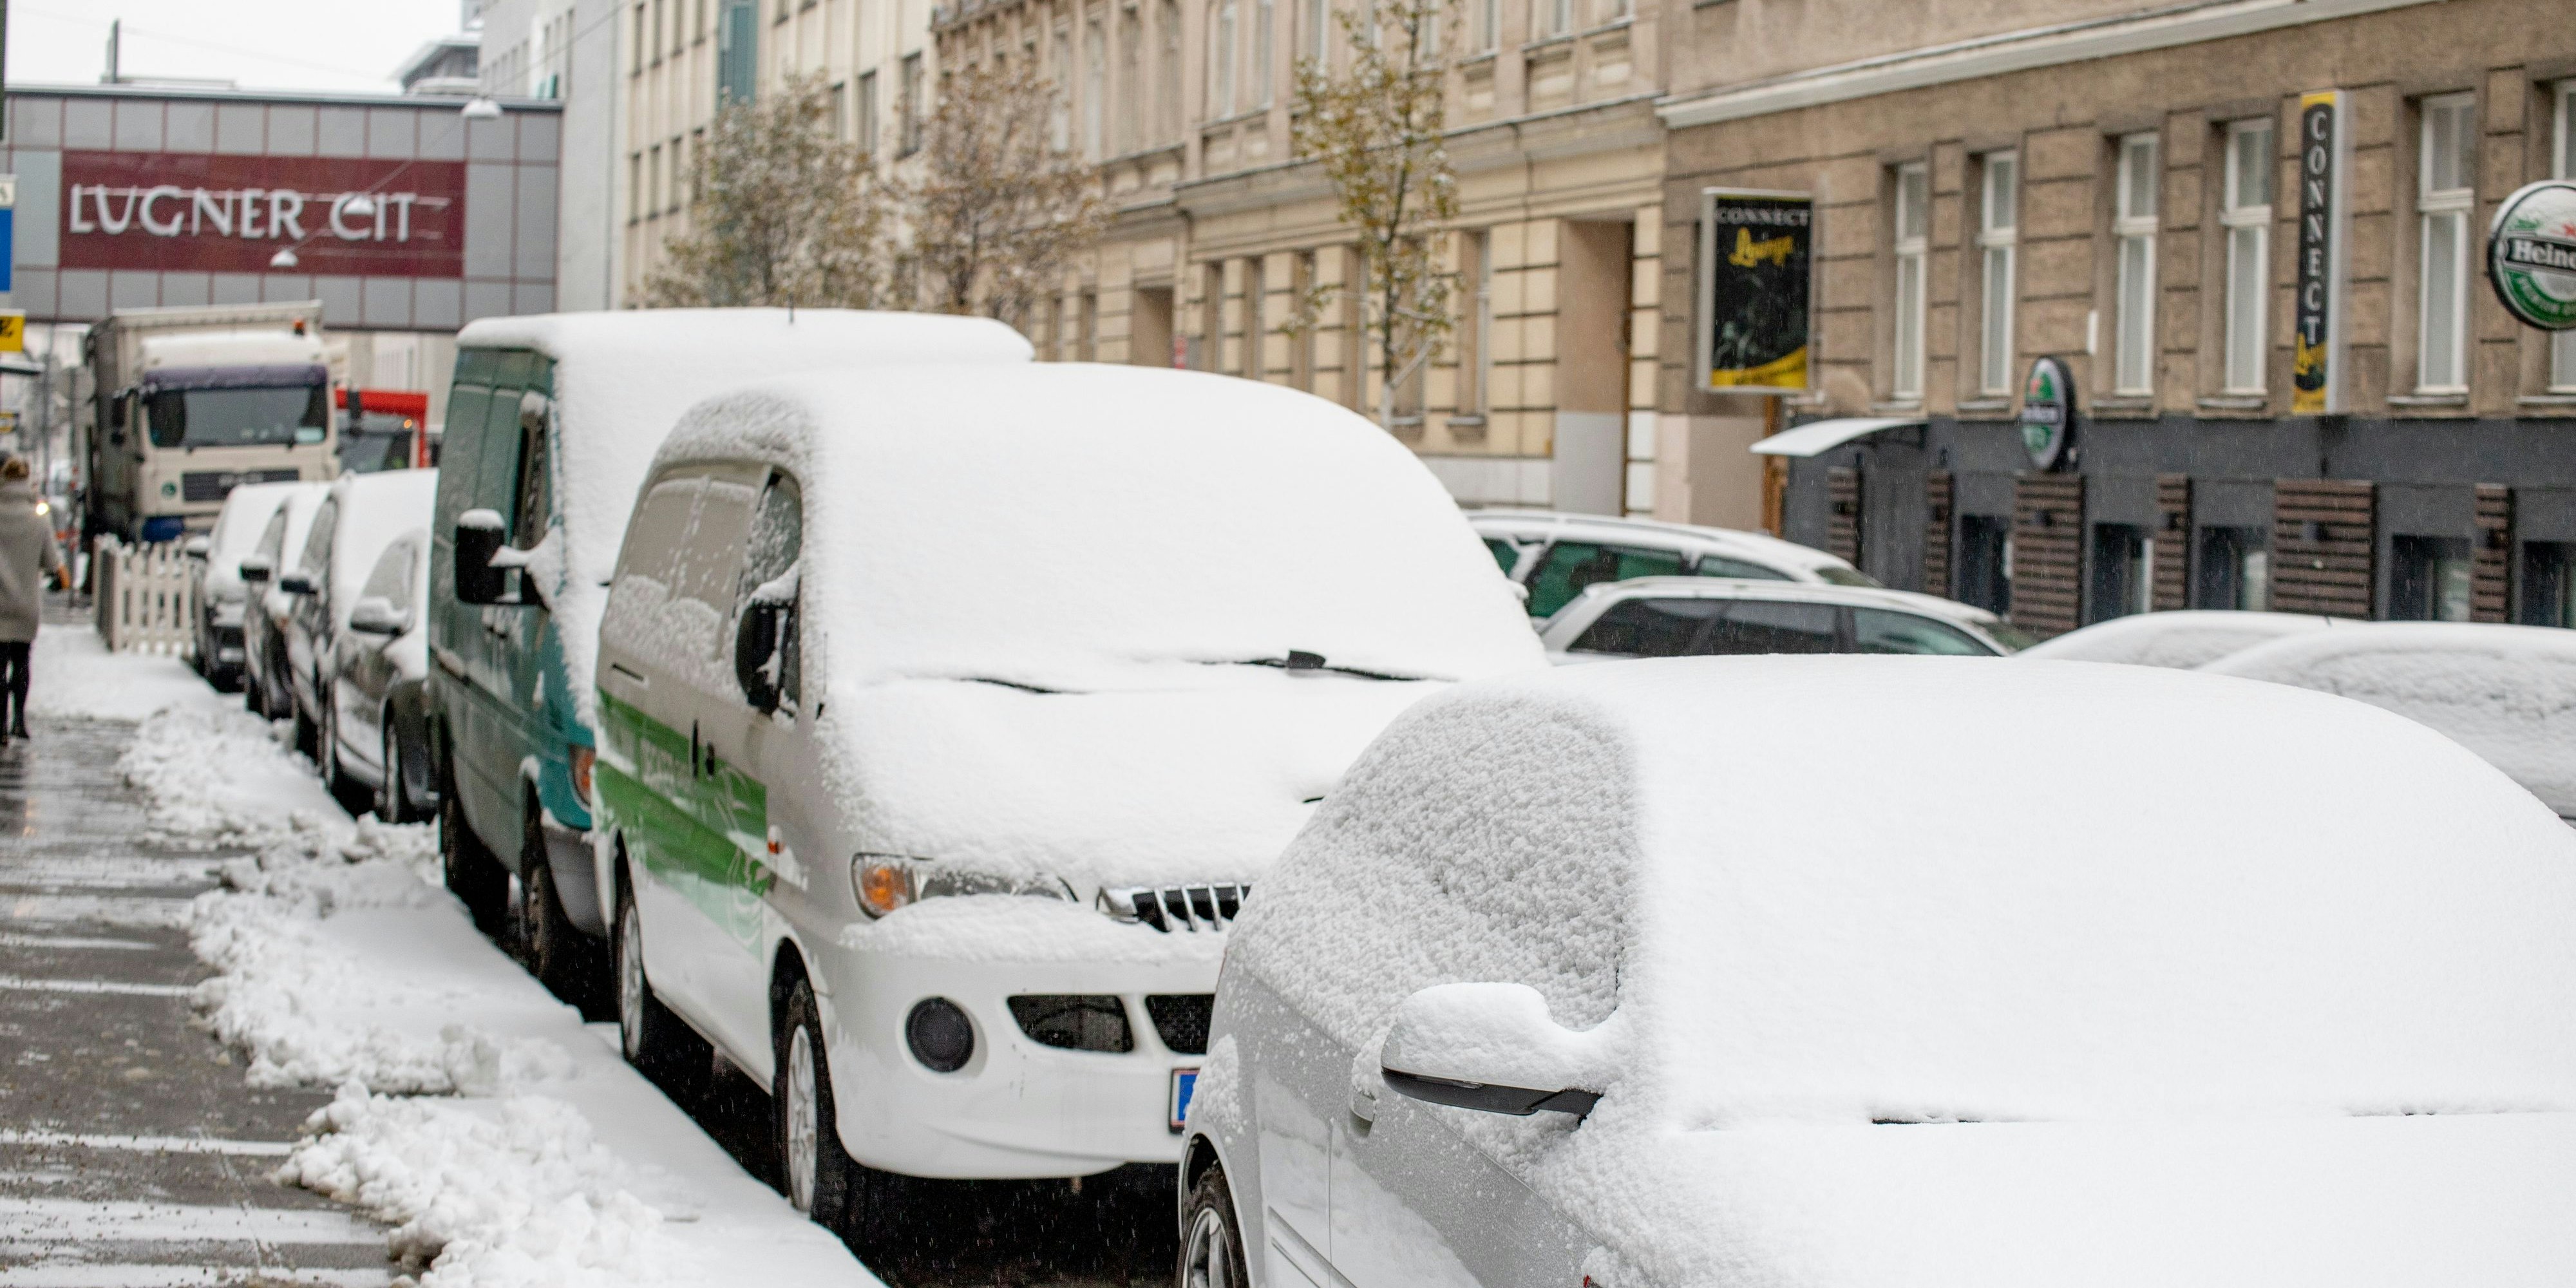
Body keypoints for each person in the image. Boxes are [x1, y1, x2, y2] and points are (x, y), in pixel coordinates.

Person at [0, 455, 62, 744]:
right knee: (22, 662)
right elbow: (52, 562)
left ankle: (0, 726)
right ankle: (19, 722)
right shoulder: (38, 519)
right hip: (26, 605)